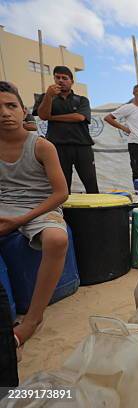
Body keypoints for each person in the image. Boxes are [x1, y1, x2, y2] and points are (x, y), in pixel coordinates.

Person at [0, 82, 69, 355]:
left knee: (56, 239)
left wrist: (19, 221)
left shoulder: (41, 146)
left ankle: (32, 319)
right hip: (5, 205)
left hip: (41, 206)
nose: (5, 113)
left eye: (11, 105)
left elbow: (61, 193)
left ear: (23, 110)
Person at [32, 66, 98, 193]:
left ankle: (96, 212)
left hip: (82, 146)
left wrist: (53, 117)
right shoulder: (46, 97)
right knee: (62, 186)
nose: (61, 81)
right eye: (57, 77)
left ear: (71, 81)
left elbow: (79, 117)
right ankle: (63, 213)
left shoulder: (82, 100)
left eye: (65, 78)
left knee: (91, 183)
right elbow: (43, 115)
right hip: (57, 147)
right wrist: (48, 97)